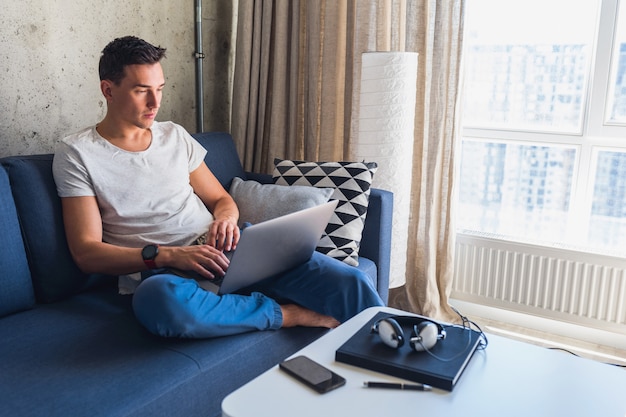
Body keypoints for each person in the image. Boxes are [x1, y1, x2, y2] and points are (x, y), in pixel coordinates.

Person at [52, 35, 383, 338]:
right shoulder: (78, 153)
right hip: (164, 271)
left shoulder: (174, 136)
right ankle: (284, 313)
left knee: (349, 281)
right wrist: (169, 255)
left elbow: (221, 199)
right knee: (160, 303)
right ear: (108, 90)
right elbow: (86, 253)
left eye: (161, 88)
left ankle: (396, 352)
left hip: (228, 254)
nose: (155, 102)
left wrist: (225, 219)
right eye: (141, 91)